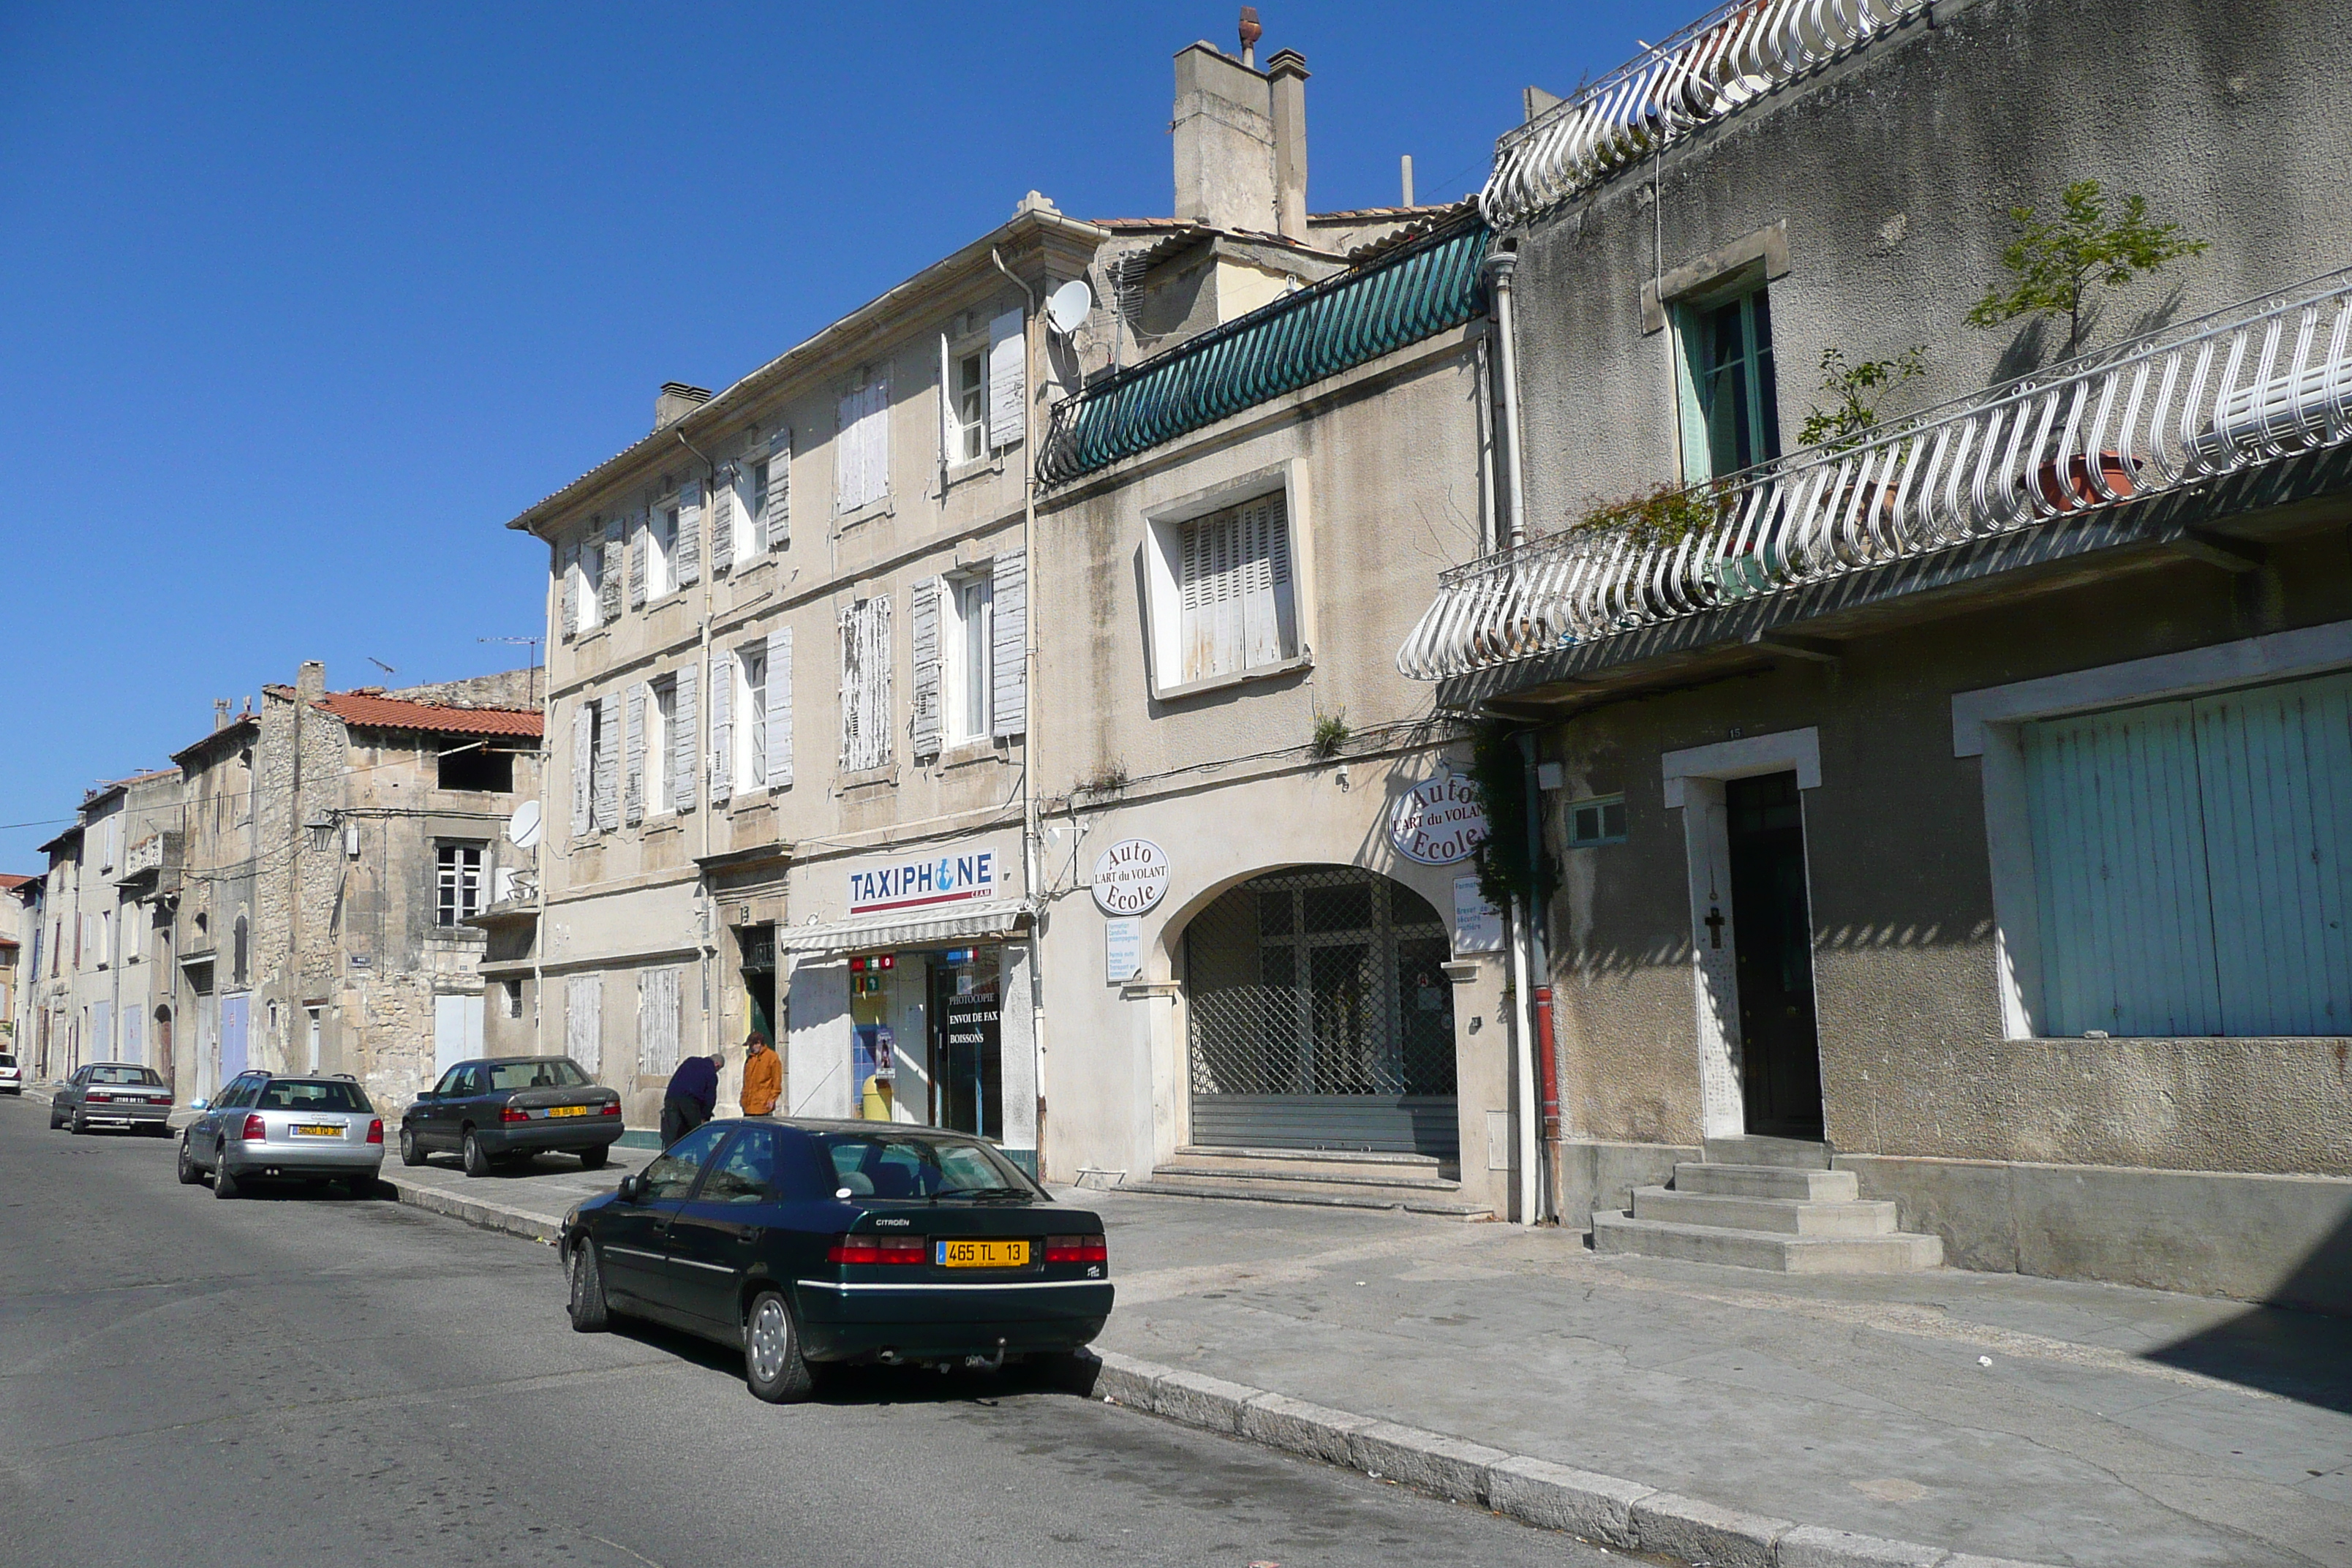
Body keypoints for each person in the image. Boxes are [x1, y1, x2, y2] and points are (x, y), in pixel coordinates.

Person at [660, 1049, 723, 1146]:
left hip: (671, 1098)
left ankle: (668, 1159)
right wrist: (705, 1117)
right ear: (717, 1065)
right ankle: (702, 1158)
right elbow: (710, 1099)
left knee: (672, 1135)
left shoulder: (690, 1061)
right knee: (698, 1133)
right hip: (689, 1101)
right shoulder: (711, 1073)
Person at [739, 1032, 781, 1117]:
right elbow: (746, 1082)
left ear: (759, 1043)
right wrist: (743, 1099)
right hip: (748, 1105)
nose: (750, 1048)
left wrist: (773, 1098)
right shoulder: (750, 1058)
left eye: (752, 1045)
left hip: (763, 1105)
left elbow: (777, 1080)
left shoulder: (772, 1057)